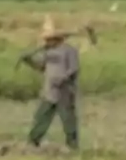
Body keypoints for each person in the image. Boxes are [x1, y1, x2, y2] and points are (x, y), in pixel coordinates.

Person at [18, 15, 80, 150]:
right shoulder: (47, 52)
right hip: (49, 90)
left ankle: (73, 145)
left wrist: (62, 79)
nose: (47, 41)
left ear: (57, 38)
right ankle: (33, 142)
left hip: (65, 90)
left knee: (67, 118)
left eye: (49, 39)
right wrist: (28, 61)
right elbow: (41, 67)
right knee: (41, 117)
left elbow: (73, 69)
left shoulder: (69, 50)